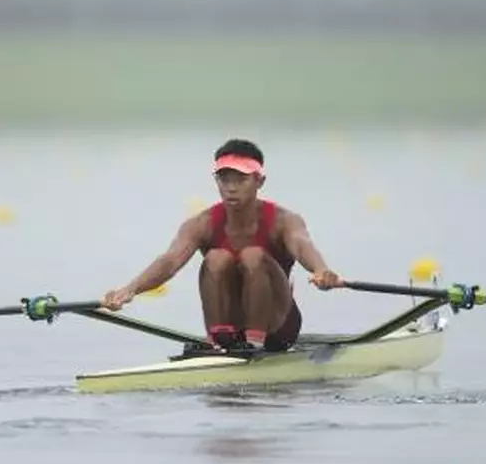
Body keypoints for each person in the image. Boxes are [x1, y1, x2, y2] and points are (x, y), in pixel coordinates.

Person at [100, 138, 342, 351]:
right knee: (216, 258)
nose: (231, 187)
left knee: (253, 255)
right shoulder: (201, 223)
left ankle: (254, 342)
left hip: (277, 326)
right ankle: (219, 340)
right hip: (230, 328)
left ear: (260, 181)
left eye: (241, 179)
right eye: (224, 179)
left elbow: (302, 245)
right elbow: (170, 261)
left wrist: (321, 271)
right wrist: (129, 290)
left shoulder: (284, 220)